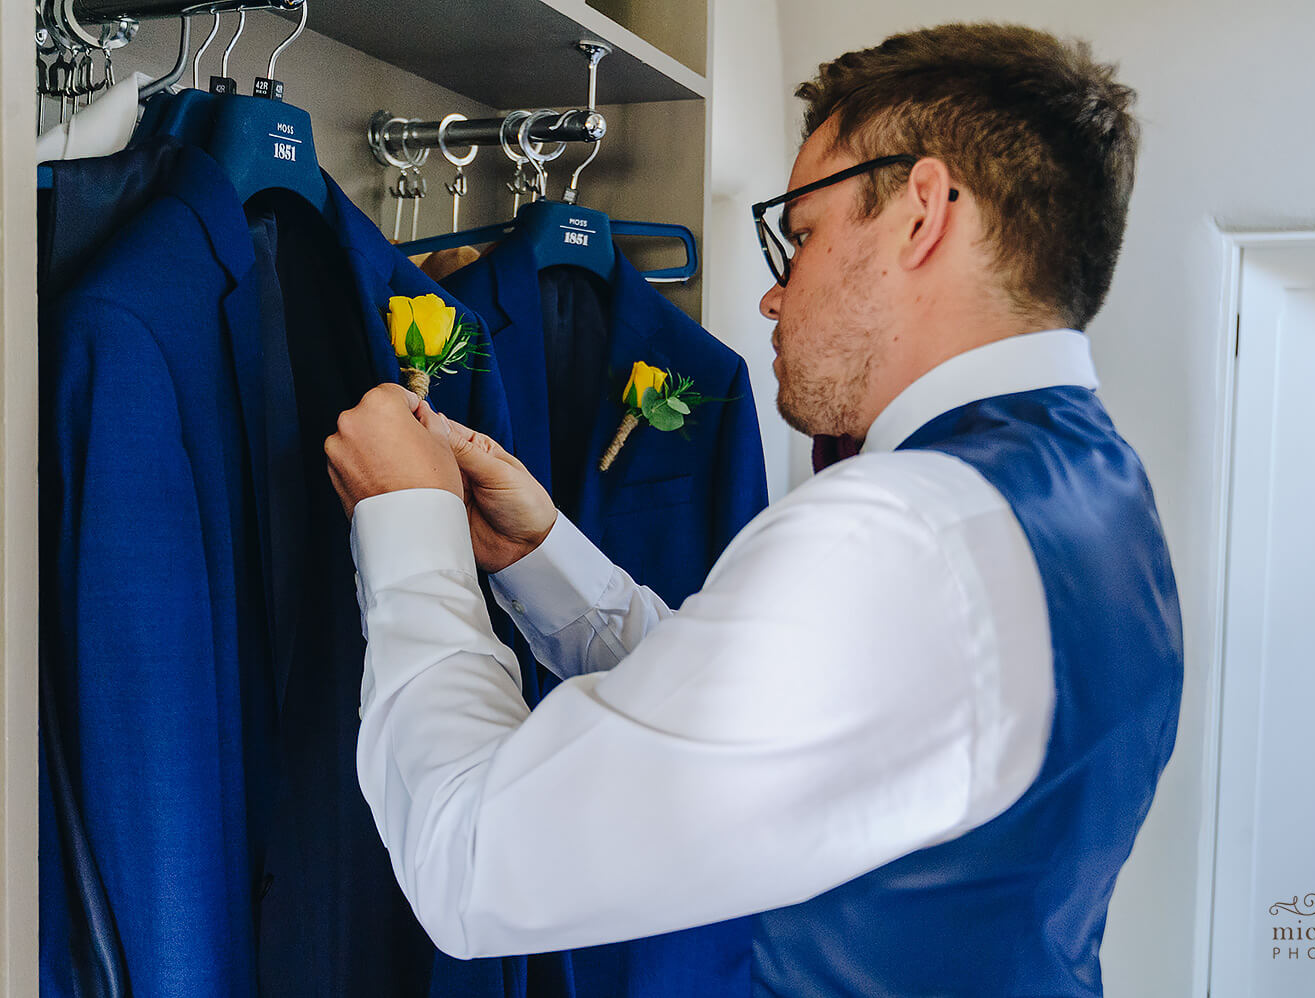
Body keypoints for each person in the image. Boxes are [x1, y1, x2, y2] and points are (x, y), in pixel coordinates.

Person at [324, 21, 1184, 996]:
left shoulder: (897, 531)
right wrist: (540, 553)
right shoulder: (1098, 488)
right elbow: (781, 714)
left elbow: (469, 860)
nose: (777, 297)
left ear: (922, 212)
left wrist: (411, 525)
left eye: (802, 234)